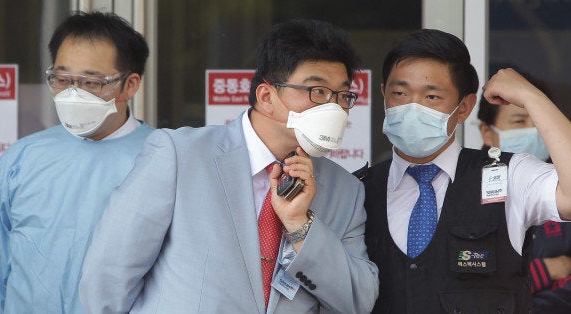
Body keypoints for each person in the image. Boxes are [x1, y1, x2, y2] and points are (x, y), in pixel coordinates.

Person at [79, 19, 379, 313]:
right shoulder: (180, 155)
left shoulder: (345, 189)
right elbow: (108, 278)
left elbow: (358, 299)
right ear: (266, 96)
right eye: (318, 91)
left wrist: (302, 226)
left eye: (342, 95)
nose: (333, 107)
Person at [353, 29, 571, 313]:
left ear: (464, 108)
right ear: (383, 94)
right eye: (400, 93)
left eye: (431, 97)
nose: (412, 107)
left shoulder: (509, 174)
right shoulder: (357, 191)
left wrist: (532, 97)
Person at [0, 11, 153, 313]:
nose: (73, 94)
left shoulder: (163, 159)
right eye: (62, 79)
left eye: (90, 82)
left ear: (130, 85)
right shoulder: (23, 159)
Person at [477, 75, 571, 314]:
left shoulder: (564, 190)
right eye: (519, 121)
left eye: (538, 122)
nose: (533, 131)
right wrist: (545, 271)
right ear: (487, 133)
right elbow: (469, 282)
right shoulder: (465, 188)